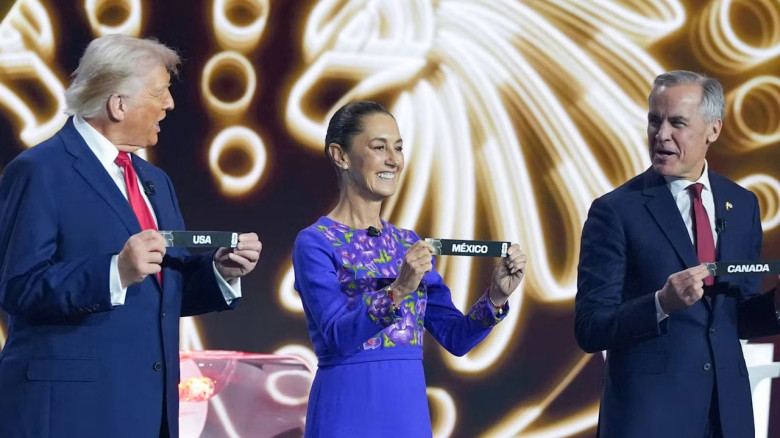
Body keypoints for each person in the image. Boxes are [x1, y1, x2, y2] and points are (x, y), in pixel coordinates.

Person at [0, 35, 262, 437]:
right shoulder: (39, 170)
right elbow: (18, 285)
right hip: (72, 414)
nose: (170, 104)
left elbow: (161, 295)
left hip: (148, 412)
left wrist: (220, 272)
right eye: (159, 93)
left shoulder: (154, 181)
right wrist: (115, 272)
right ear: (118, 104)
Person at [292, 100, 527, 437]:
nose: (394, 159)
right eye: (379, 147)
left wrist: (496, 297)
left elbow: (456, 338)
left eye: (399, 148)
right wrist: (399, 289)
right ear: (340, 155)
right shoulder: (315, 242)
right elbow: (337, 335)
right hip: (347, 410)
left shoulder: (408, 243)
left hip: (407, 415)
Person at [575, 70, 780, 437]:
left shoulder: (742, 204)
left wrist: (777, 304)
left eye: (678, 123)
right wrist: (661, 304)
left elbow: (737, 317)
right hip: (650, 419)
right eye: (655, 121)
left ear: (713, 130)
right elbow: (591, 327)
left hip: (726, 417)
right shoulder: (616, 211)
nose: (661, 134)